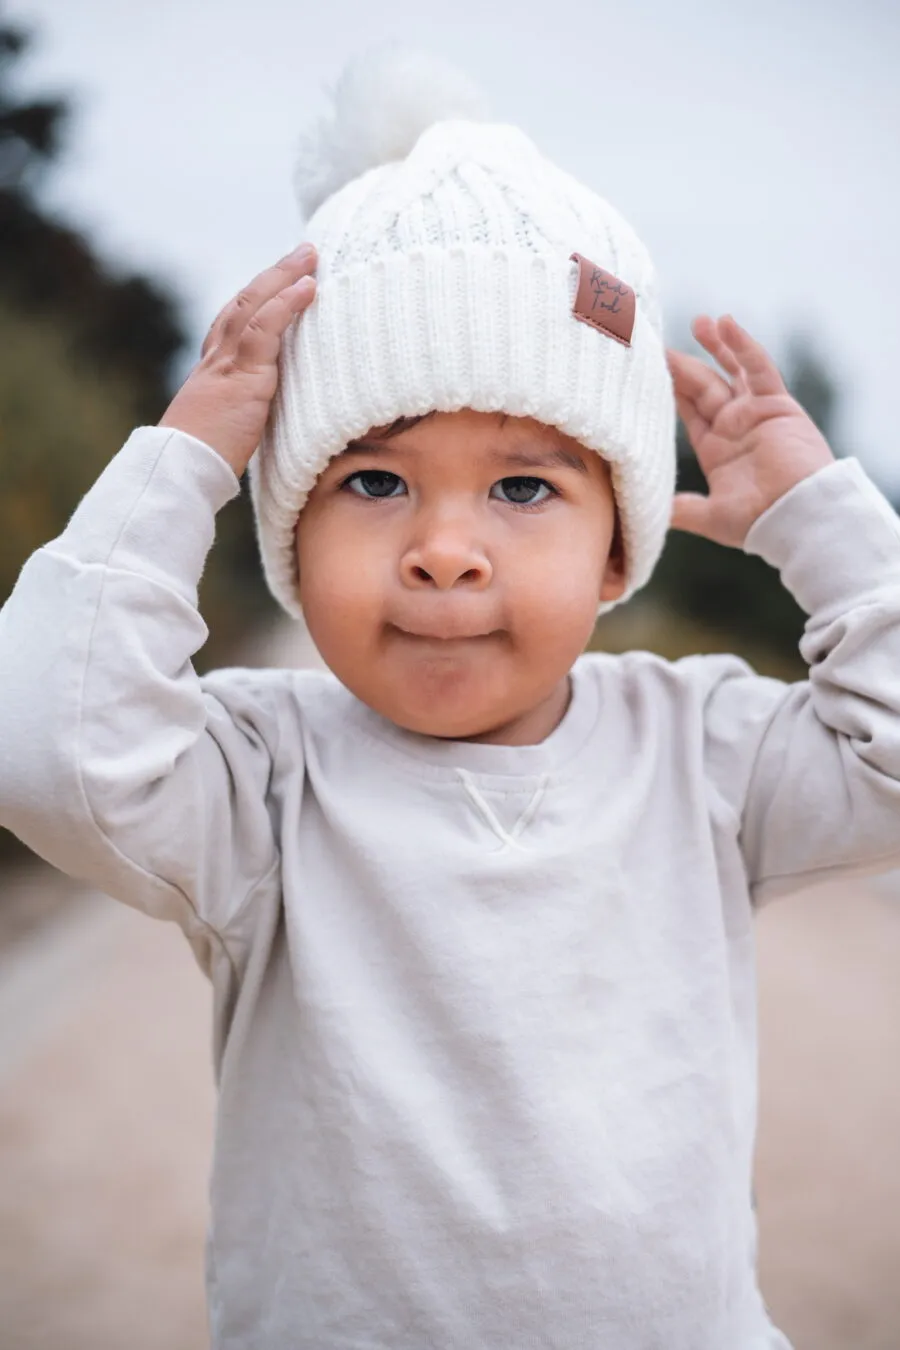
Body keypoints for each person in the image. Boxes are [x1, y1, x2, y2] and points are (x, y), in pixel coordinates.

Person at [1, 42, 899, 1350]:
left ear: (615, 550)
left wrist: (824, 521)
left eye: (524, 486)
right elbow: (45, 749)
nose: (445, 546)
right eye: (373, 482)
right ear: (288, 536)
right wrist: (185, 455)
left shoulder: (700, 751)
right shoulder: (264, 783)